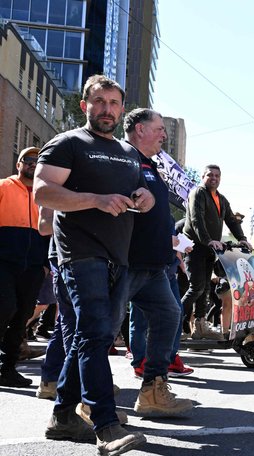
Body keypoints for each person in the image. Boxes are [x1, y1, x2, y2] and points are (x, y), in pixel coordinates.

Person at [34, 74, 153, 453]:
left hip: (118, 256)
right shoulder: (69, 143)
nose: (106, 109)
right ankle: (105, 424)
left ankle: (63, 416)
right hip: (79, 252)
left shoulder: (128, 151)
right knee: (93, 334)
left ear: (121, 109)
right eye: (99, 102)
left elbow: (138, 190)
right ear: (85, 106)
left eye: (114, 103)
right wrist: (96, 200)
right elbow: (43, 192)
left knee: (92, 335)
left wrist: (144, 196)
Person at [120, 108, 194, 416]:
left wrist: (170, 244)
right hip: (126, 262)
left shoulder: (150, 165)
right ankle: (81, 398)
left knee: (169, 314)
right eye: (159, 128)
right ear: (139, 129)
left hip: (154, 264)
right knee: (99, 328)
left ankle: (153, 390)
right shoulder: (121, 158)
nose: (164, 134)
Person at [0, 146, 51, 388]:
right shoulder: (3, 187)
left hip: (32, 267)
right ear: (18, 164)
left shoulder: (45, 195)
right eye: (27, 160)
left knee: (22, 316)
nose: (33, 164)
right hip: (4, 263)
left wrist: (45, 264)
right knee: (5, 308)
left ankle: (7, 368)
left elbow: (49, 231)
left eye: (37, 161)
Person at [181, 164, 250, 340]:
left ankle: (200, 326)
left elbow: (232, 221)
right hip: (196, 247)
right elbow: (197, 219)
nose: (214, 178)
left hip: (210, 250)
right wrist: (208, 240)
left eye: (217, 176)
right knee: (196, 287)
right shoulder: (198, 193)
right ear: (203, 177)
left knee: (203, 289)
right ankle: (171, 320)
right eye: (210, 175)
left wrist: (242, 238)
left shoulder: (221, 198)